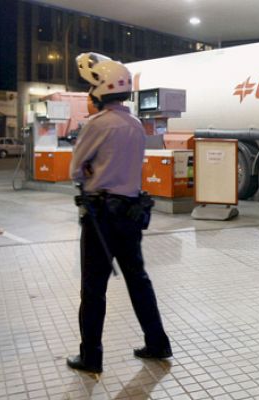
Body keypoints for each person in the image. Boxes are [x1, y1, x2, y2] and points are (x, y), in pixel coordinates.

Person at [67, 53, 172, 374]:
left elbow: (75, 170)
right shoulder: (135, 124)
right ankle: (157, 342)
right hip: (131, 214)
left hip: (101, 217)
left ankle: (91, 356)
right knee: (138, 280)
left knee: (93, 289)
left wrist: (89, 168)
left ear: (100, 89)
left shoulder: (97, 125)